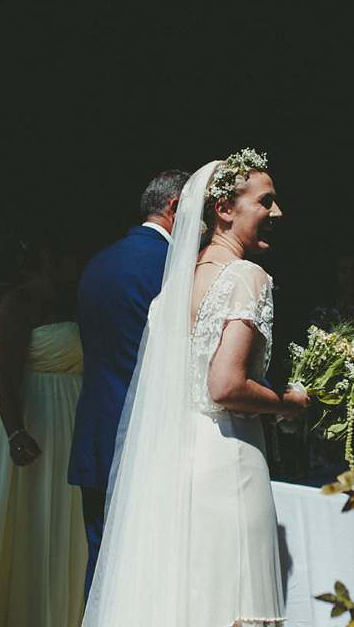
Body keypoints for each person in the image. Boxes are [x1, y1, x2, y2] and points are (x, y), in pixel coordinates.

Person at [82, 149, 310, 626]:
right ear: (224, 210)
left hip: (173, 458)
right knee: (230, 599)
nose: (277, 213)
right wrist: (286, 404)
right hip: (227, 459)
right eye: (265, 202)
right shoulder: (248, 277)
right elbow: (225, 385)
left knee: (182, 596)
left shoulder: (172, 290)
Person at [68, 169, 190, 597]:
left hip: (96, 436)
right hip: (146, 439)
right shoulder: (173, 268)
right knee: (151, 571)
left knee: (102, 565)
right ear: (175, 207)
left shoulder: (98, 260)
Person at [0, 239, 87, 627]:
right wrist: (16, 431)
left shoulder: (73, 302)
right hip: (32, 415)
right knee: (27, 519)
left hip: (68, 419)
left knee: (64, 519)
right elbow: (5, 376)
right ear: (48, 257)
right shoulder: (17, 303)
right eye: (71, 256)